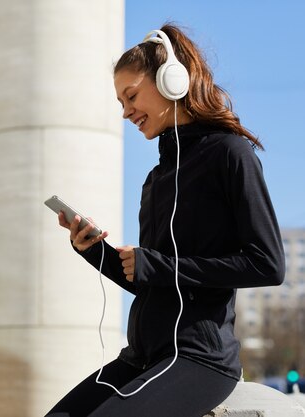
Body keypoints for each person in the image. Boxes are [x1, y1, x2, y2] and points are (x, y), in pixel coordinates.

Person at [45, 23, 285, 417]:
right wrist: (93, 251)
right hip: (141, 357)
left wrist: (158, 265)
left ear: (170, 82)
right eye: (120, 101)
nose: (125, 112)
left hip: (198, 360)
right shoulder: (156, 179)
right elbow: (149, 281)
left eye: (131, 96)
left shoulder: (230, 154)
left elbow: (267, 264)